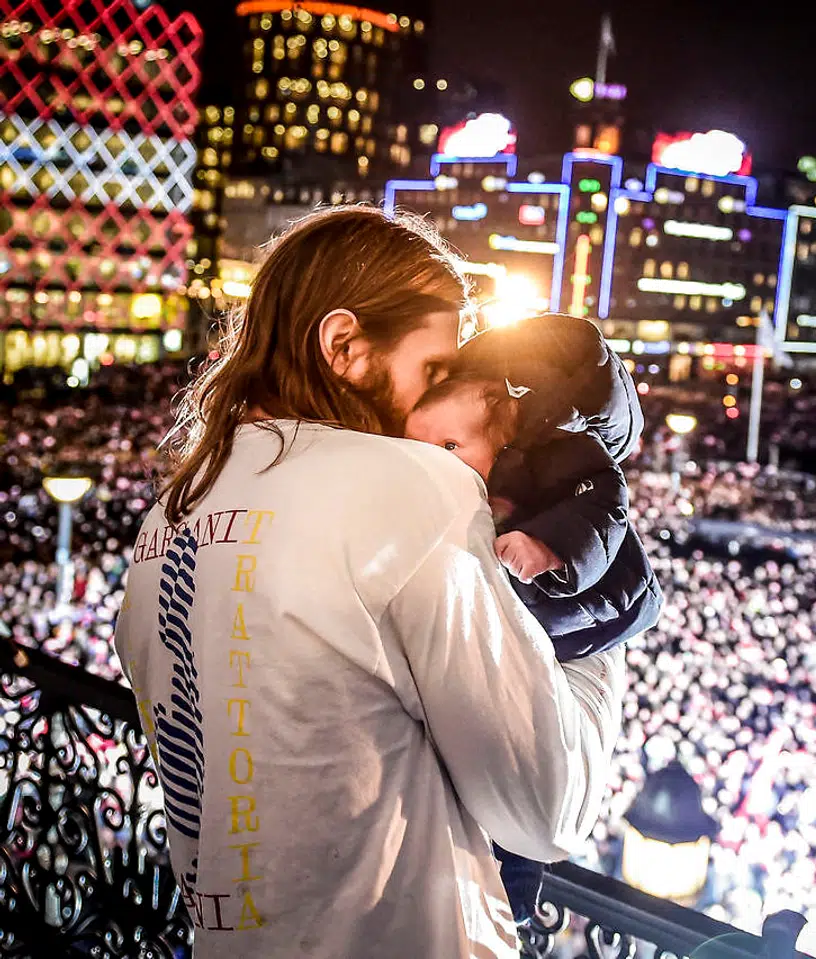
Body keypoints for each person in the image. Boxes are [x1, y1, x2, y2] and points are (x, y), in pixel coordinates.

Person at [114, 205, 626, 959]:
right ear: (344, 344)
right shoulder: (408, 486)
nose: (435, 406)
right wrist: (599, 621)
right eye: (434, 371)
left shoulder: (172, 513)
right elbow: (550, 807)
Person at [405, 313, 663, 924]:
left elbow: (602, 508)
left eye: (448, 447)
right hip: (532, 623)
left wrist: (547, 548)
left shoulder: (565, 451)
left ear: (504, 422)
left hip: (572, 616)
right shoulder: (493, 457)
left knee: (521, 746)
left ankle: (516, 890)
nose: (437, 463)